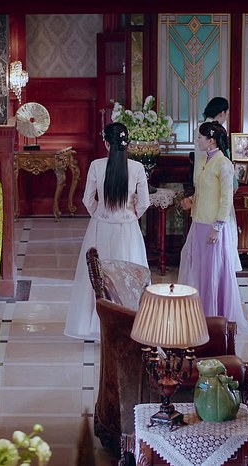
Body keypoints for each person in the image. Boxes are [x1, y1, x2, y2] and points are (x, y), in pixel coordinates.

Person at [64, 122, 150, 340]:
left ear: (106, 143)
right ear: (127, 143)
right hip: (128, 229)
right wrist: (131, 214)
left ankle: (97, 324)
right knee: (129, 275)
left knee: (99, 276)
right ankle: (132, 323)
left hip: (101, 227)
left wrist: (100, 212)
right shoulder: (137, 168)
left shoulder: (96, 165)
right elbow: (144, 202)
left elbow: (87, 199)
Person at [179, 121, 248, 331]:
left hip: (213, 227)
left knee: (212, 273)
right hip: (199, 223)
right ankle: (198, 315)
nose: (197, 141)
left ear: (211, 141)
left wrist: (217, 227)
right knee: (199, 270)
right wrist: (191, 200)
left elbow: (226, 199)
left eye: (200, 138)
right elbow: (205, 192)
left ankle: (214, 319)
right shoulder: (204, 160)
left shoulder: (223, 164)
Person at [192, 97, 242, 273]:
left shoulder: (201, 129)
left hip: (203, 182)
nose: (198, 140)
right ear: (222, 113)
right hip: (209, 186)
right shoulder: (212, 133)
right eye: (226, 113)